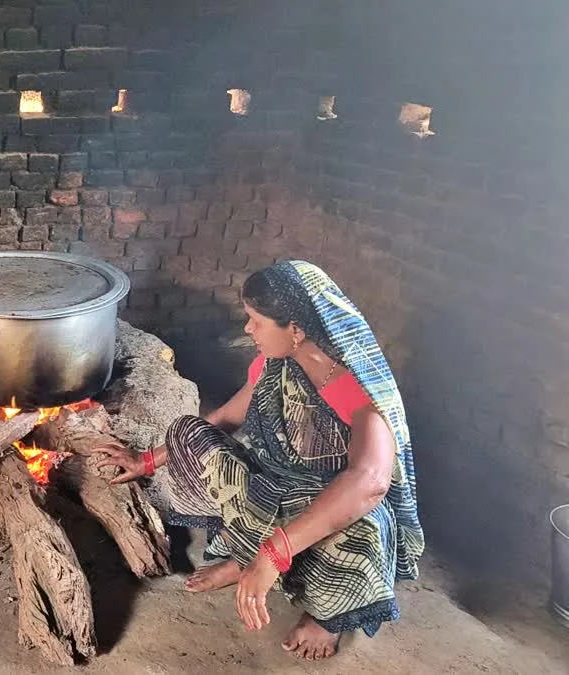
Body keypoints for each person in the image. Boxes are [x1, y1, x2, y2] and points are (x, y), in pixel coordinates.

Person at [94, 260, 424, 660]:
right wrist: (146, 461)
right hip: (274, 486)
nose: (248, 329)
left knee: (366, 528)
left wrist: (275, 552)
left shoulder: (354, 388)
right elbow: (224, 417)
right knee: (187, 432)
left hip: (323, 504)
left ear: (295, 330)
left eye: (256, 321)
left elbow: (370, 481)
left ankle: (326, 618)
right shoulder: (274, 363)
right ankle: (242, 558)